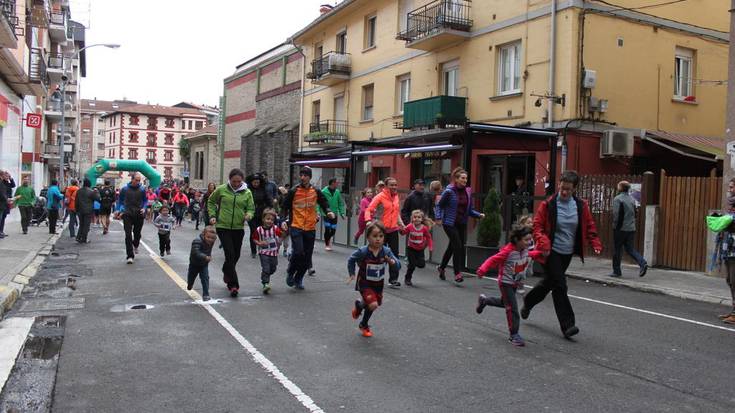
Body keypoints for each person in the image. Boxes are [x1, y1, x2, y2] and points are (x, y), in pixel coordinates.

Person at [521, 170, 602, 339]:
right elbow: (538, 226)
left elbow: (589, 225)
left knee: (549, 283)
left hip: (567, 252)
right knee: (560, 285)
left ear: (574, 189)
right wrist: (543, 241)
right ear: (559, 185)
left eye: (568, 189)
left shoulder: (581, 206)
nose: (564, 192)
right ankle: (568, 325)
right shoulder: (549, 204)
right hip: (550, 251)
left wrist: (594, 242)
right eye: (562, 187)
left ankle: (528, 302)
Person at [476, 226, 543, 347]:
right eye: (526, 240)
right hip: (505, 283)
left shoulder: (524, 250)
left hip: (515, 283)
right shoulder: (508, 251)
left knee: (504, 302)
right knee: (512, 308)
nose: (529, 242)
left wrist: (540, 253)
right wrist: (482, 269)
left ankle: (484, 301)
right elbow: (492, 260)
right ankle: (514, 335)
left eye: (530, 240)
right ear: (517, 239)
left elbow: (530, 255)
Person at [280, 166, 334, 290]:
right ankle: (290, 271)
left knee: (307, 256)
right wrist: (283, 221)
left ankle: (299, 278)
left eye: (305, 175)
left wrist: (328, 211)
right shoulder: (294, 191)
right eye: (301, 175)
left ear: (310, 177)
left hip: (310, 227)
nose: (303, 177)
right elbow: (284, 207)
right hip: (296, 226)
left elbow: (324, 202)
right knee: (298, 252)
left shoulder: (315, 191)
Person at [207, 168, 255, 297]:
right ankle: (233, 285)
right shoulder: (222, 189)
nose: (236, 184)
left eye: (238, 181)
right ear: (230, 179)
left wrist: (249, 215)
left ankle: (226, 270)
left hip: (238, 228)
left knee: (236, 255)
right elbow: (211, 201)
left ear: (242, 181)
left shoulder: (247, 192)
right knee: (230, 254)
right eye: (234, 181)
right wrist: (212, 215)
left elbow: (251, 208)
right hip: (223, 226)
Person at [348, 222, 401, 337]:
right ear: (368, 237)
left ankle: (359, 307)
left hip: (378, 284)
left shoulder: (386, 251)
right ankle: (364, 325)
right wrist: (352, 273)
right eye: (375, 236)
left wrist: (392, 262)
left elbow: (398, 265)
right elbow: (351, 260)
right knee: (373, 304)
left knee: (372, 304)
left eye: (381, 236)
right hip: (365, 283)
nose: (378, 239)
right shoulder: (363, 251)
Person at [436, 167, 485, 283]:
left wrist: (479, 215)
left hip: (461, 223)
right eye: (462, 178)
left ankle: (441, 267)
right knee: (458, 246)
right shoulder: (449, 192)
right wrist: (438, 218)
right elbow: (439, 205)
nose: (465, 180)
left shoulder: (467, 192)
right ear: (456, 179)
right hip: (449, 223)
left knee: (452, 247)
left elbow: (469, 210)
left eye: (466, 178)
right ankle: (457, 273)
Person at [365, 177, 406, 288]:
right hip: (381, 231)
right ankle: (372, 276)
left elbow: (396, 212)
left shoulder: (396, 196)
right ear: (386, 186)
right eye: (391, 185)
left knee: (394, 255)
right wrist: (368, 221)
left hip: (393, 230)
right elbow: (369, 209)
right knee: (377, 254)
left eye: (395, 184)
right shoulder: (380, 197)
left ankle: (393, 279)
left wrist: (401, 224)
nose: (394, 187)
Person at [610, 180, 648, 278]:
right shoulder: (632, 199)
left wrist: (615, 226)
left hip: (620, 229)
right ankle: (642, 262)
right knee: (630, 249)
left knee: (617, 250)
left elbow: (616, 215)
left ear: (620, 188)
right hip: (631, 228)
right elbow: (635, 213)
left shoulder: (618, 199)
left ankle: (616, 271)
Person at [116, 173, 148, 264]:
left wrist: (144, 208)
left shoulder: (142, 189)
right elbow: (120, 200)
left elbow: (145, 200)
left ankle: (136, 244)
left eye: (139, 180)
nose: (138, 182)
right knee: (128, 235)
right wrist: (118, 210)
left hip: (139, 213)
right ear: (132, 179)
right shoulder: (125, 189)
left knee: (137, 234)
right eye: (136, 180)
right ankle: (130, 256)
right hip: (127, 214)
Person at [253, 208, 286, 294]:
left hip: (274, 252)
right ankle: (265, 283)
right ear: (263, 219)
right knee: (266, 268)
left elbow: (281, 235)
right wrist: (259, 243)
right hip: (263, 252)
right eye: (268, 219)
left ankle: (265, 275)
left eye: (272, 219)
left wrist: (282, 235)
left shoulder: (275, 228)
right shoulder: (259, 230)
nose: (269, 221)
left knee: (273, 268)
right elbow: (254, 239)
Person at [400, 210, 433, 286]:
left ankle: (411, 262)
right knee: (412, 266)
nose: (417, 219)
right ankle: (407, 278)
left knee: (421, 265)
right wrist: (401, 230)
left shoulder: (424, 228)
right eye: (415, 217)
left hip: (420, 249)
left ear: (421, 219)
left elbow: (429, 238)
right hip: (411, 248)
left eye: (419, 217)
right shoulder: (410, 226)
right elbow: (403, 233)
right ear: (412, 219)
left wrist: (430, 247)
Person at [718, 178, 735, 324]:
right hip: (728, 248)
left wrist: (728, 223)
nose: (729, 190)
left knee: (734, 281)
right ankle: (733, 310)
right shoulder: (731, 205)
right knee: (729, 280)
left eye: (731, 187)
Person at [246, 173, 273, 259]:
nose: (256, 184)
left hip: (261, 213)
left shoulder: (263, 189)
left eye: (257, 182)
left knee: (262, 231)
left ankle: (262, 248)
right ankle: (253, 250)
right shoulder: (248, 190)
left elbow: (268, 200)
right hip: (251, 213)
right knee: (254, 231)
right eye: (254, 182)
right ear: (251, 182)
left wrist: (270, 208)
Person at [187, 226, 217, 301]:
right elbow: (195, 252)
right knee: (191, 276)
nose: (210, 240)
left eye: (212, 238)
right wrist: (205, 257)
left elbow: (208, 250)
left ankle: (206, 294)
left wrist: (208, 257)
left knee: (205, 278)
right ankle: (190, 284)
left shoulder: (212, 241)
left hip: (204, 264)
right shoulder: (197, 241)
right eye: (208, 237)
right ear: (203, 234)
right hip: (194, 263)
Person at [319, 178, 346, 251]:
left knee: (333, 230)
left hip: (335, 214)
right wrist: (317, 212)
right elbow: (319, 202)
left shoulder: (337, 192)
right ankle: (327, 244)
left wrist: (342, 213)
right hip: (326, 213)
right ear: (333, 183)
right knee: (327, 229)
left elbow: (340, 203)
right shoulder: (323, 191)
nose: (338, 184)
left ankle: (328, 239)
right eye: (337, 183)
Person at [75, 179, 100, 244]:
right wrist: (96, 192)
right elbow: (98, 198)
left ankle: (78, 237)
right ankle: (84, 239)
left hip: (80, 210)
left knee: (81, 224)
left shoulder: (79, 191)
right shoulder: (91, 192)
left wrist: (76, 209)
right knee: (86, 225)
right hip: (88, 211)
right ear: (89, 184)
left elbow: (76, 201)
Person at [0, 170, 15, 238]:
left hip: (6, 203)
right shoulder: (1, 182)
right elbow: (2, 194)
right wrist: (7, 199)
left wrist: (10, 178)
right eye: (6, 176)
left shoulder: (7, 183)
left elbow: (13, 185)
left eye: (8, 176)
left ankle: (1, 231)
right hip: (3, 202)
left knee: (3, 217)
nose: (7, 177)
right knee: (1, 217)